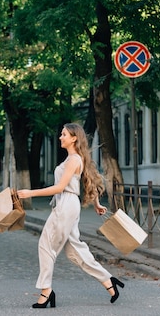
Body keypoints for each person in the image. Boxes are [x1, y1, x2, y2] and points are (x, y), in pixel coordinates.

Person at [17, 123, 124, 308]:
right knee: (75, 251)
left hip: (66, 204)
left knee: (46, 245)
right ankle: (108, 281)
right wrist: (97, 204)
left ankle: (46, 291)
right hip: (67, 204)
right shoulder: (74, 159)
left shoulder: (74, 160)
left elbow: (59, 187)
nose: (61, 137)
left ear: (74, 138)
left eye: (64, 134)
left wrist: (30, 193)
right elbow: (90, 179)